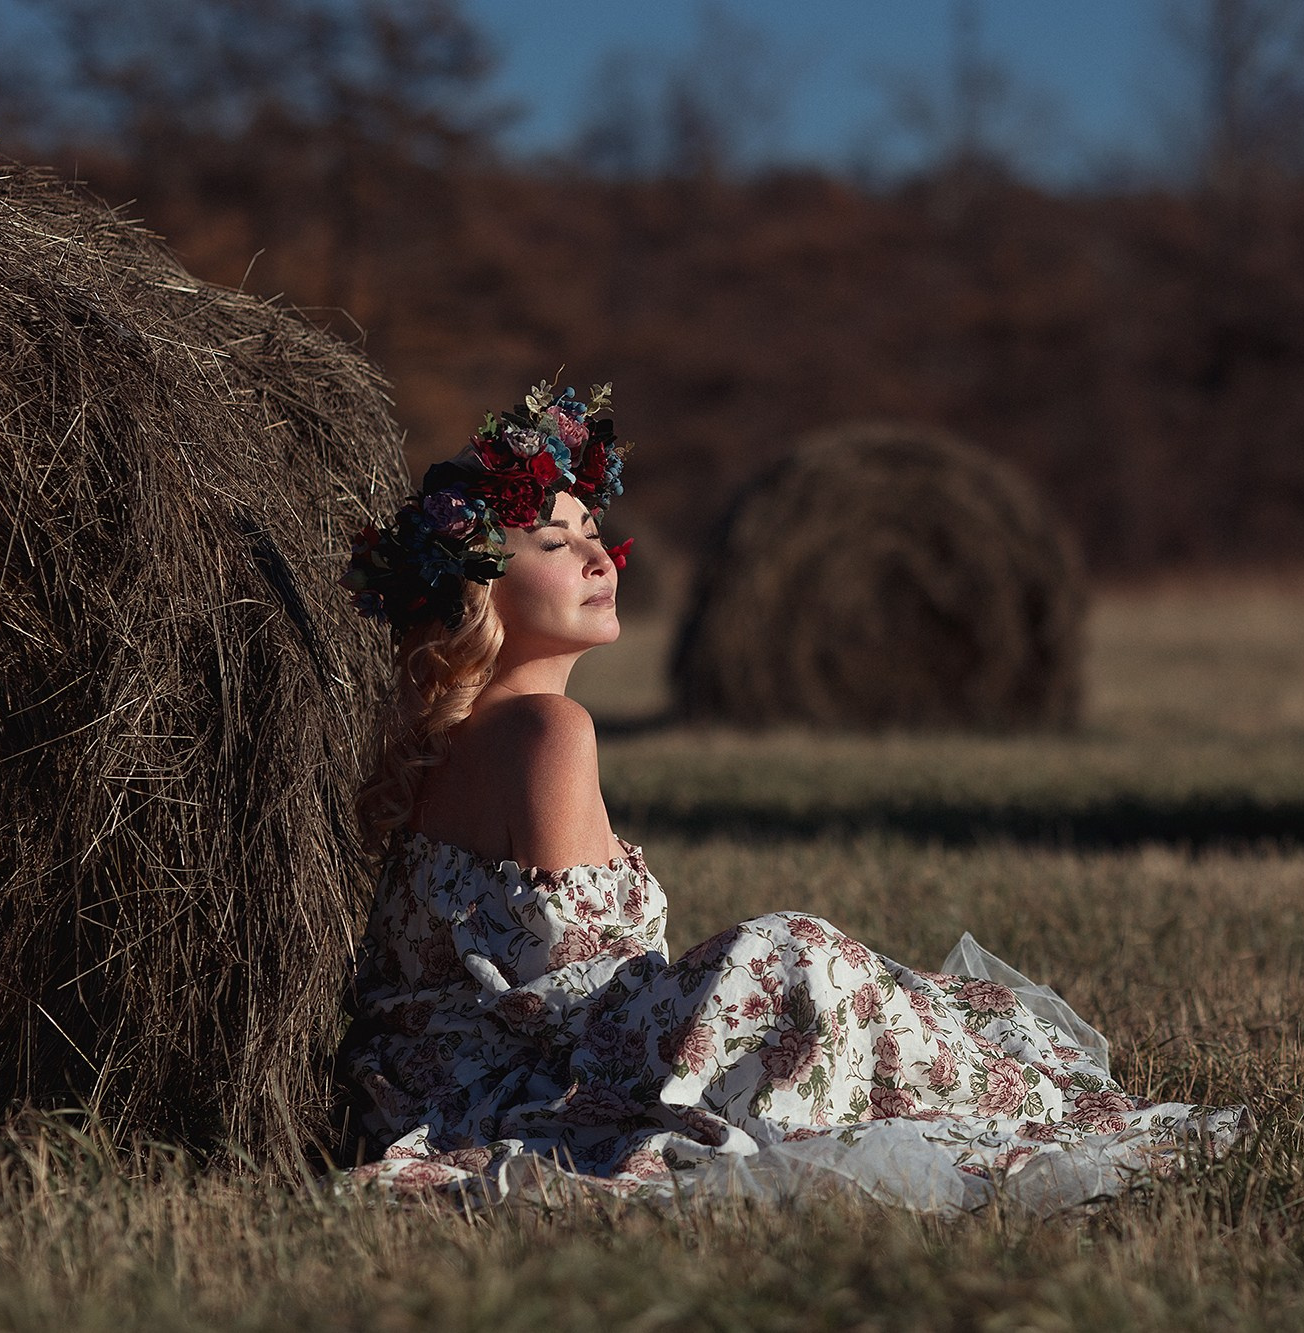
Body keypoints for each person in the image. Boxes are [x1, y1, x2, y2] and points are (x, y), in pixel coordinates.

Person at [336, 381, 1253, 1213]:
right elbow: (578, 1004)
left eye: (590, 532)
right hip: (545, 1080)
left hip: (435, 1082)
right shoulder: (547, 733)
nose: (595, 555)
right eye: (552, 541)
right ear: (476, 583)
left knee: (788, 963)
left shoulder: (437, 744)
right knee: (794, 953)